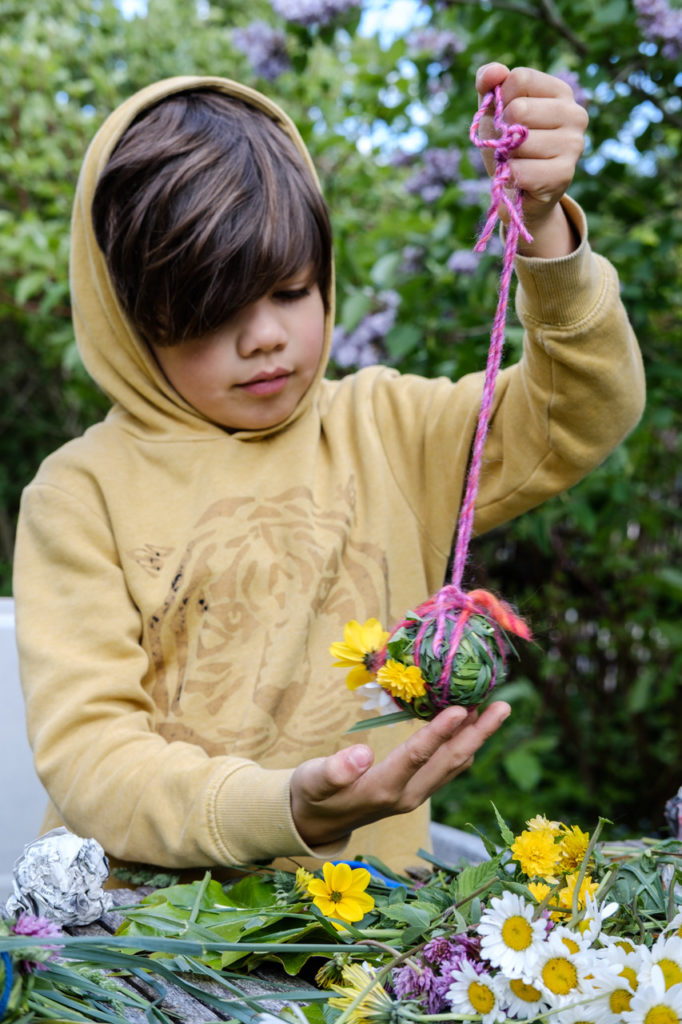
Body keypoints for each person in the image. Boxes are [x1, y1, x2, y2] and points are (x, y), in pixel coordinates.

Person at [13, 64, 645, 879]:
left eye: (290, 289)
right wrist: (285, 809)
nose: (265, 338)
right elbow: (93, 760)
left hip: (368, 952)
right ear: (130, 320)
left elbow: (583, 411)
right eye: (212, 317)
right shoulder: (81, 496)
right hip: (145, 956)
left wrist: (546, 227)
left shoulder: (391, 429)